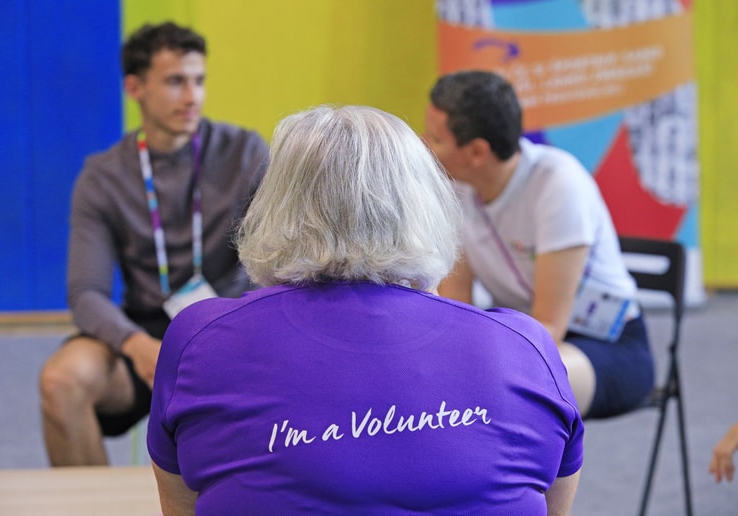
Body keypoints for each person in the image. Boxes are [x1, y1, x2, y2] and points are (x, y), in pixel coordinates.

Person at [147, 105, 583, 515]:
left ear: (274, 206)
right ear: (425, 207)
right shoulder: (526, 349)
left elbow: (183, 505)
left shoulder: (201, 340)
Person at [39, 21, 269, 466]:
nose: (192, 97)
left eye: (199, 81)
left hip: (231, 326)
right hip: (147, 335)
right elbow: (86, 293)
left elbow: (281, 261)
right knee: (61, 381)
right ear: (134, 87)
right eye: (175, 82)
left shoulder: (245, 153)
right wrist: (134, 343)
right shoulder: (103, 177)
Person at [424, 70, 655, 419]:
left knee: (506, 389)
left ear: (476, 152)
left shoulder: (558, 184)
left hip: (606, 346)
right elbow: (457, 312)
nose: (424, 145)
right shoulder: (457, 188)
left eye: (435, 138)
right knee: (439, 376)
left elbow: (549, 327)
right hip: (522, 340)